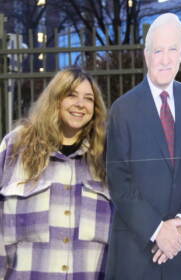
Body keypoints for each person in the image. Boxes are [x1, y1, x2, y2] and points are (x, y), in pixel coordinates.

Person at [105, 13, 181, 280]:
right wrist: (157, 230)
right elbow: (118, 180)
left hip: (179, 249)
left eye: (172, 50)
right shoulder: (122, 109)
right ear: (146, 55)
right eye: (158, 51)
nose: (165, 59)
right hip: (135, 251)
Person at [0, 67, 111, 280]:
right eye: (71, 95)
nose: (80, 104)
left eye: (88, 98)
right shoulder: (15, 146)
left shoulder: (106, 154)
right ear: (55, 99)